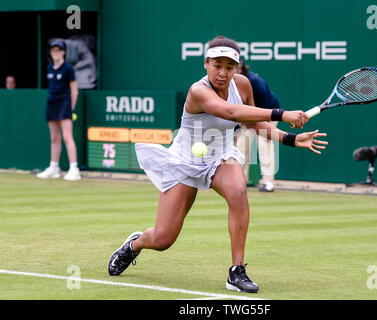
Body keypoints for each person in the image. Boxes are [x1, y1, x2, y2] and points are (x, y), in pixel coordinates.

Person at [107, 36, 328, 293]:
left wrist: (290, 138)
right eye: (217, 65)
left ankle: (237, 271)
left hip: (221, 156)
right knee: (163, 239)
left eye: (229, 67)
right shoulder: (197, 91)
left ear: (237, 68)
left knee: (238, 192)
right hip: (185, 161)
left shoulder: (243, 85)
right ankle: (134, 244)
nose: (223, 72)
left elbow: (253, 123)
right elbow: (232, 113)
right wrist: (282, 114)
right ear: (206, 64)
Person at [37, 39, 81, 181]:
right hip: (51, 102)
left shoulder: (68, 68)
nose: (55, 53)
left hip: (64, 103)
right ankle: (54, 167)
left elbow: (74, 90)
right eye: (53, 50)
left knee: (67, 137)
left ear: (63, 52)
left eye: (58, 50)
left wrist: (71, 108)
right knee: (54, 137)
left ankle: (74, 168)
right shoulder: (49, 69)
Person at [235, 58, 280, 192]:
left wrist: (265, 130)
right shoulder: (228, 83)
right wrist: (237, 128)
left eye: (235, 68)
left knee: (264, 145)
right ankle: (239, 182)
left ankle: (268, 182)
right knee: (241, 148)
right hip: (246, 117)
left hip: (268, 113)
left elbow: (265, 109)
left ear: (241, 69)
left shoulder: (256, 82)